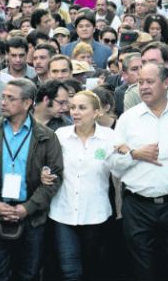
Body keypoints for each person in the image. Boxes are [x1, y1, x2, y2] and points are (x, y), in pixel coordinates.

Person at [109, 64, 168, 280]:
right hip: (138, 205)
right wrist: (134, 155)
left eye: (150, 82)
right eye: (140, 82)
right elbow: (112, 163)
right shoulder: (127, 119)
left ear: (166, 83)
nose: (143, 87)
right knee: (142, 269)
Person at [0, 78, 64, 281]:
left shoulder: (46, 136)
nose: (3, 102)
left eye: (11, 98)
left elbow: (55, 178)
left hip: (32, 219)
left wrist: (27, 208)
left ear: (27, 103)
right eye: (3, 96)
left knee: (29, 274)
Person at [49, 91, 119, 281]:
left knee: (93, 269)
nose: (75, 112)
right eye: (73, 108)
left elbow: (120, 169)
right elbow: (49, 165)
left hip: (95, 214)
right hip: (63, 212)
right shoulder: (60, 135)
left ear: (96, 112)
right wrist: (46, 173)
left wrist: (129, 153)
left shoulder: (110, 137)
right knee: (70, 272)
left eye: (82, 108)